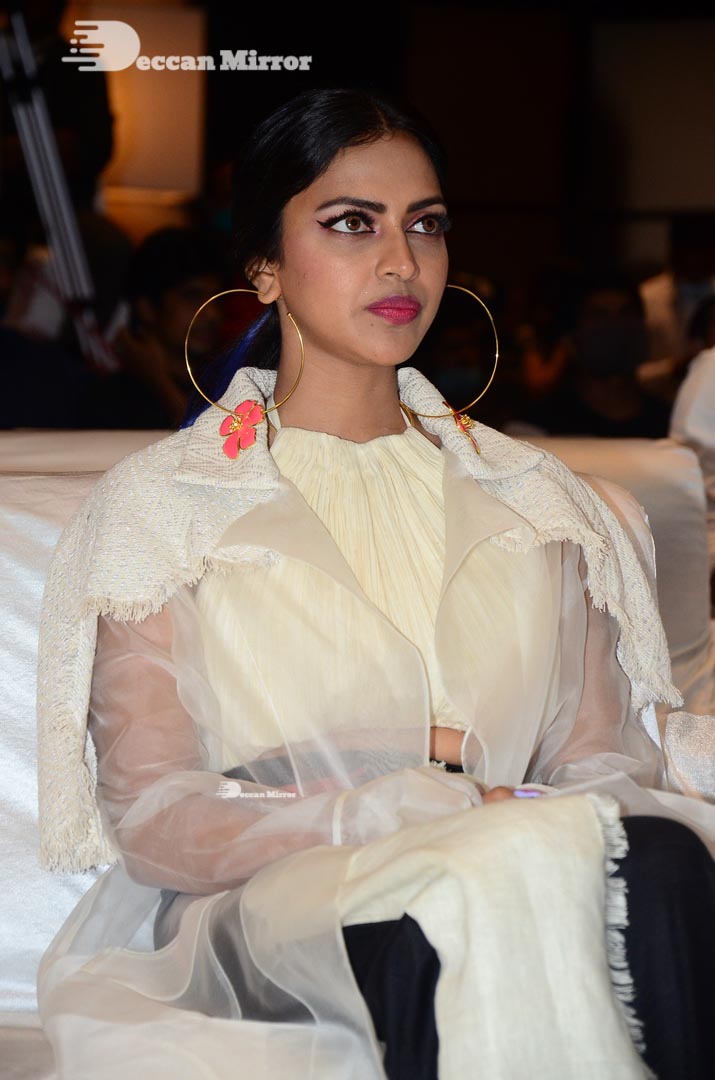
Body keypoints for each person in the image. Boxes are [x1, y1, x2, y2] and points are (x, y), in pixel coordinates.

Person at [35, 88, 715, 1080]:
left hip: (517, 846)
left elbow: (596, 763)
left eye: (424, 225)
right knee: (454, 899)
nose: (401, 262)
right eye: (352, 223)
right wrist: (378, 804)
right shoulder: (164, 508)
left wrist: (506, 805)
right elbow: (154, 820)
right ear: (263, 266)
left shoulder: (538, 502)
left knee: (660, 862)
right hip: (277, 901)